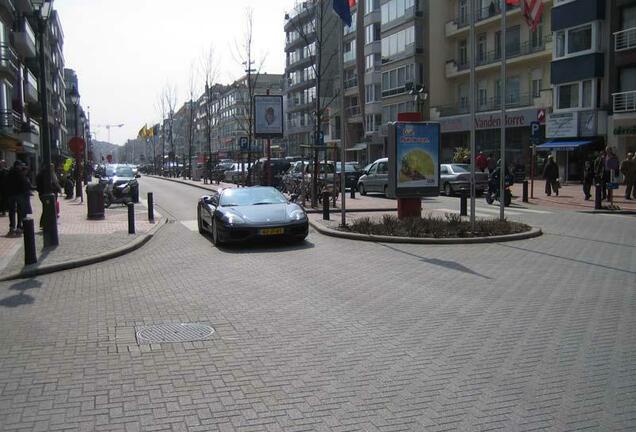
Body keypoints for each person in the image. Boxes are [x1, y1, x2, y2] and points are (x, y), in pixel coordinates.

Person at [6, 161, 32, 236]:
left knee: (11, 211)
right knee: (20, 210)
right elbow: (23, 183)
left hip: (10, 194)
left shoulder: (9, 173)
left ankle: (11, 227)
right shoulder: (20, 173)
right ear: (18, 166)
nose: (21, 167)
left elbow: (5, 183)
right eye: (21, 165)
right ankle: (19, 226)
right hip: (19, 194)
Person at [36, 163, 61, 229]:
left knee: (46, 208)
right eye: (52, 167)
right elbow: (53, 183)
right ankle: (45, 223)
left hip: (43, 194)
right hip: (46, 194)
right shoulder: (47, 175)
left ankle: (45, 223)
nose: (53, 168)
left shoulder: (42, 174)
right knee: (48, 208)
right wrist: (57, 189)